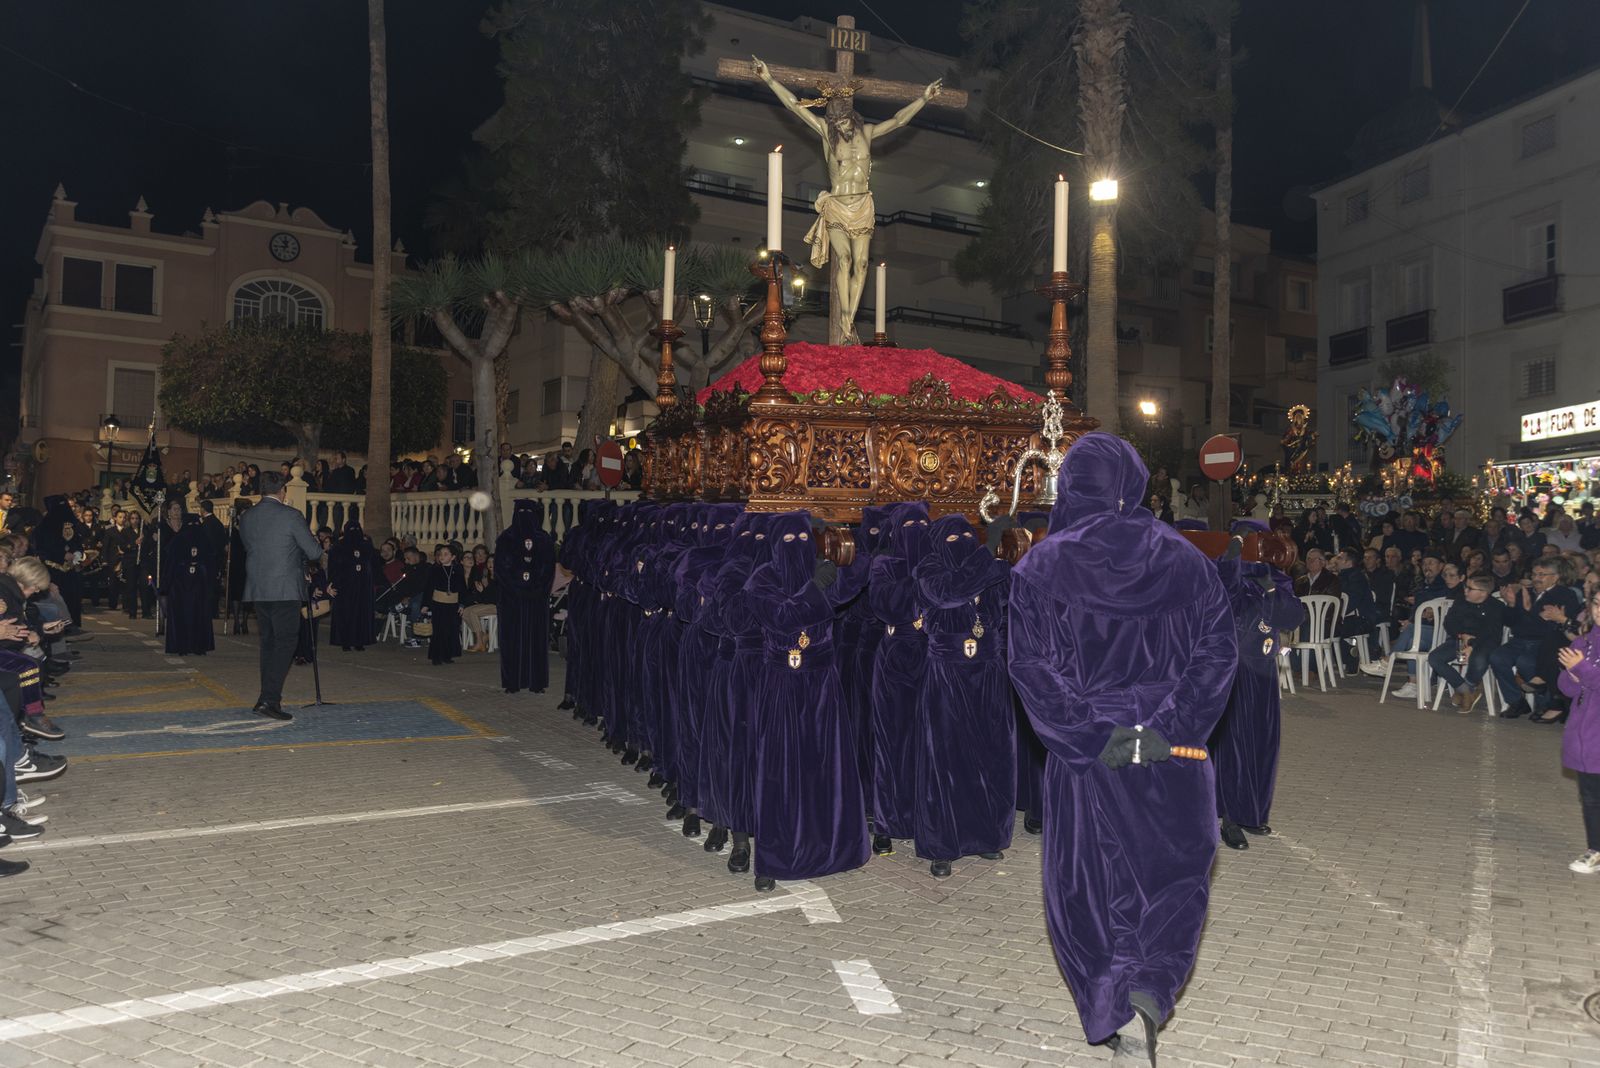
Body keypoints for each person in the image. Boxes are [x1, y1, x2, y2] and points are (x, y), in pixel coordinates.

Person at [1008, 432, 1237, 1063]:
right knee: (1172, 875)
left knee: (1087, 883)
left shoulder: (1041, 567)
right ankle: (1152, 985)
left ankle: (1113, 1000)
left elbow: (1030, 669)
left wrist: (1096, 736)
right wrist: (1169, 728)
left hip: (1090, 754)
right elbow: (1218, 654)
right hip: (1172, 752)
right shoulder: (1189, 560)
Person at [743, 511, 869, 891]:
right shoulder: (761, 580)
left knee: (824, 767)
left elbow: (858, 575)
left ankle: (832, 850)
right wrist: (816, 588)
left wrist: (847, 542)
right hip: (782, 683)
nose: (796, 548)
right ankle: (775, 858)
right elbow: (783, 617)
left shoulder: (820, 569)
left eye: (802, 539)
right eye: (788, 541)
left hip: (821, 683)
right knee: (780, 770)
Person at [912, 514, 1014, 878]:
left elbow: (1010, 591)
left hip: (987, 673)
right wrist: (988, 552)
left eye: (968, 537)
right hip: (947, 674)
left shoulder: (990, 567)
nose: (963, 543)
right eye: (953, 539)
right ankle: (943, 845)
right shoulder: (929, 570)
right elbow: (949, 594)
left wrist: (1012, 548)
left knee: (988, 756)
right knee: (947, 760)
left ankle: (984, 835)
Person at [1211, 527, 1304, 851]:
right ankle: (1229, 817)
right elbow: (1224, 596)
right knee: (1233, 747)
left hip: (1264, 672)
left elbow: (1292, 618)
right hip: (1234, 671)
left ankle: (1252, 812)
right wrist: (1234, 551)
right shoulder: (1229, 573)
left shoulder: (1276, 579)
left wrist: (1271, 589)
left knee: (1263, 743)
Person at [239, 472, 323, 721]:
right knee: (285, 643)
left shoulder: (247, 517)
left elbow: (252, 547)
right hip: (285, 588)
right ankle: (268, 699)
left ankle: (267, 697)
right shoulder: (291, 515)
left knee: (268, 643)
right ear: (282, 491)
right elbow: (314, 552)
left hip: (259, 588)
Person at [1556, 588, 1600, 873]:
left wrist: (1581, 669)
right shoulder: (1584, 642)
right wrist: (1572, 674)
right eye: (1596, 603)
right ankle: (1595, 849)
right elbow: (1567, 687)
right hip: (1586, 731)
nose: (1599, 610)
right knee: (1591, 796)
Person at [495, 500, 557, 694]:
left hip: (535, 599)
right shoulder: (506, 538)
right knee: (512, 640)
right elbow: (500, 570)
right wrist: (518, 588)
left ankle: (536, 682)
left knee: (536, 640)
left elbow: (548, 569)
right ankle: (512, 681)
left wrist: (535, 589)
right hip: (512, 599)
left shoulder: (544, 540)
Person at [1427, 575, 1506, 712]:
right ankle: (1466, 691)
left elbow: (1491, 632)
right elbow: (1449, 622)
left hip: (1484, 643)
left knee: (1479, 659)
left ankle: (1466, 689)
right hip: (1459, 639)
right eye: (1465, 586)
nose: (1465, 590)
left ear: (1483, 592)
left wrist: (1472, 645)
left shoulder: (1496, 606)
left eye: (1470, 588)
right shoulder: (1461, 601)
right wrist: (1462, 635)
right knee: (1435, 658)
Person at [158, 500, 217, 657]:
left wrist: (165, 585)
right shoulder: (203, 539)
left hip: (181, 583)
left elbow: (170, 563)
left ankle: (182, 646)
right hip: (197, 583)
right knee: (199, 614)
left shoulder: (179, 539)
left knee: (182, 614)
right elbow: (212, 562)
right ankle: (199, 646)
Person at [327, 520, 377, 652]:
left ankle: (359, 641)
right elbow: (333, 567)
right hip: (345, 586)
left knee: (360, 614)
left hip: (362, 587)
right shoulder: (339, 546)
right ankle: (345, 641)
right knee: (346, 613)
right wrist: (332, 583)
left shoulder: (366, 545)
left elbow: (373, 565)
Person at [426, 544, 464, 666]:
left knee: (451, 630)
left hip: (453, 604)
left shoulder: (458, 570)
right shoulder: (434, 569)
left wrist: (462, 604)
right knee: (439, 630)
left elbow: (462, 588)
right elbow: (429, 588)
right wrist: (426, 604)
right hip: (438, 604)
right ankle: (436, 656)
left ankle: (447, 655)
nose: (442, 556)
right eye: (440, 554)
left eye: (446, 554)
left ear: (453, 557)